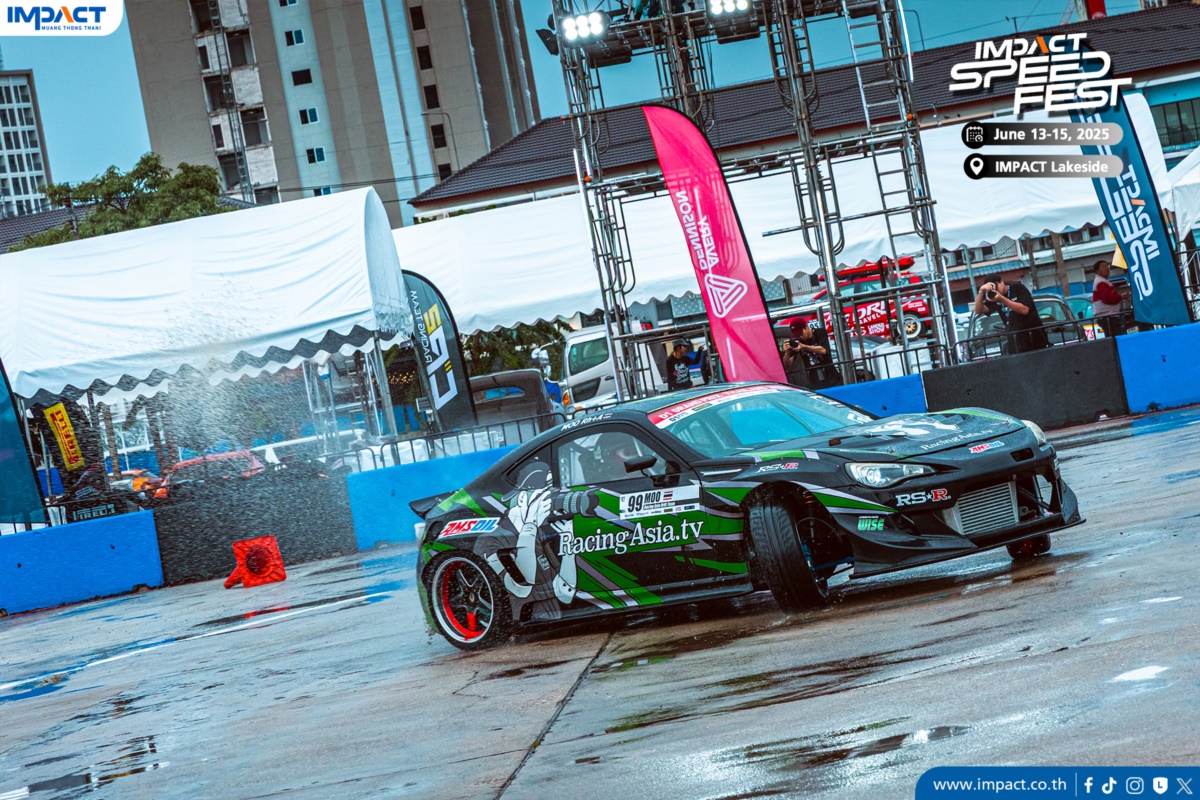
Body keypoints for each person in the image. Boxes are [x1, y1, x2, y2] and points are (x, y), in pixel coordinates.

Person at [974, 272, 1049, 355]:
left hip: (1033, 337)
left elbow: (1024, 310)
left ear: (1002, 281)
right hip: (1015, 340)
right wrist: (981, 292)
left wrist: (1002, 299)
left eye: (996, 287)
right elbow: (979, 311)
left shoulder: (1018, 288)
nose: (996, 291)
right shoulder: (994, 297)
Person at [781, 320, 843, 390]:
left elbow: (824, 350)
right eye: (797, 335)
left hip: (830, 374)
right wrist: (786, 352)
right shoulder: (797, 342)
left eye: (801, 333)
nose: (800, 336)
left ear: (806, 326)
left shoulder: (819, 333)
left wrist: (803, 346)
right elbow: (787, 365)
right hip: (814, 378)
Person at [1091, 259, 1125, 338]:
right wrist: (1121, 296)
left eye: (1107, 266)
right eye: (1103, 267)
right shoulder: (1101, 282)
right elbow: (1107, 299)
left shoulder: (1103, 281)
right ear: (1097, 271)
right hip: (1107, 316)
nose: (1107, 269)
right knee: (1114, 337)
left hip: (1109, 315)